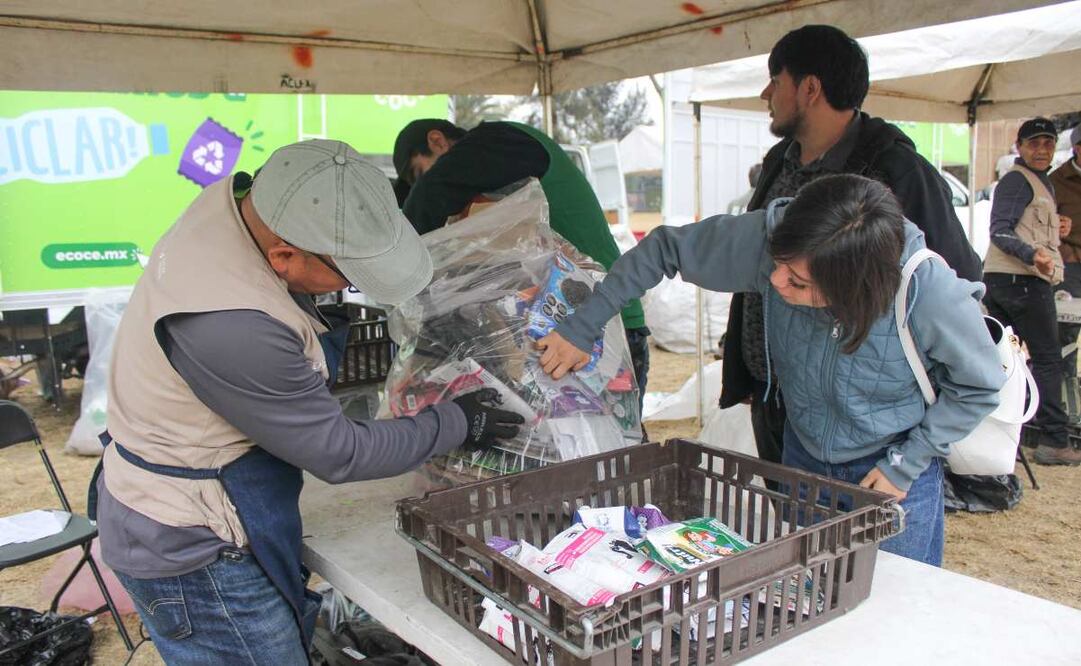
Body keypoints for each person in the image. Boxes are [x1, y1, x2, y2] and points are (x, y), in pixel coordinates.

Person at [93, 139, 524, 664]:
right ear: (283, 255)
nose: (352, 288)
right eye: (351, 277)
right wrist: (457, 420)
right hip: (196, 554)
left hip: (191, 503)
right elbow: (340, 453)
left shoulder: (236, 209)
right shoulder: (232, 325)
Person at [536, 174, 1004, 565]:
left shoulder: (927, 291)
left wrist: (908, 463)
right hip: (804, 461)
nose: (776, 281)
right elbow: (663, 249)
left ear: (854, 288)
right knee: (812, 594)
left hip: (892, 471)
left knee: (898, 607)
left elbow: (979, 386)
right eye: (778, 264)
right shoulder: (776, 240)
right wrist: (582, 327)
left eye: (798, 282)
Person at [719, 25, 982, 468]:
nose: (766, 93)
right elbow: (762, 262)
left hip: (860, 427)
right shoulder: (779, 162)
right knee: (787, 512)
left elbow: (958, 278)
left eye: (775, 80)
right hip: (775, 397)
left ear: (809, 88)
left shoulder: (896, 170)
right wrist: (745, 364)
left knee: (855, 518)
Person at [392, 119, 652, 406]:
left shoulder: (503, 141)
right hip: (564, 326)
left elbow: (431, 191)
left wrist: (398, 263)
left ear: (437, 141)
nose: (420, 182)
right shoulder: (498, 170)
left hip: (603, 324)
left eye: (419, 172)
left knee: (610, 433)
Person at [984, 118, 1081, 466]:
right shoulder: (1017, 180)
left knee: (1001, 359)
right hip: (1021, 281)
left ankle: (994, 430)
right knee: (1047, 359)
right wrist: (1032, 255)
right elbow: (1000, 230)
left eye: (1048, 143)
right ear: (1019, 146)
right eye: (1034, 143)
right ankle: (1054, 440)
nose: (1042, 150)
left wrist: (1058, 230)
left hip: (1010, 281)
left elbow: (1027, 226)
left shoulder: (1040, 181)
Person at [1051, 125, 1081, 412]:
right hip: (1071, 267)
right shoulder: (1056, 181)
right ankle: (1064, 398)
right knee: (1066, 333)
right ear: (1076, 148)